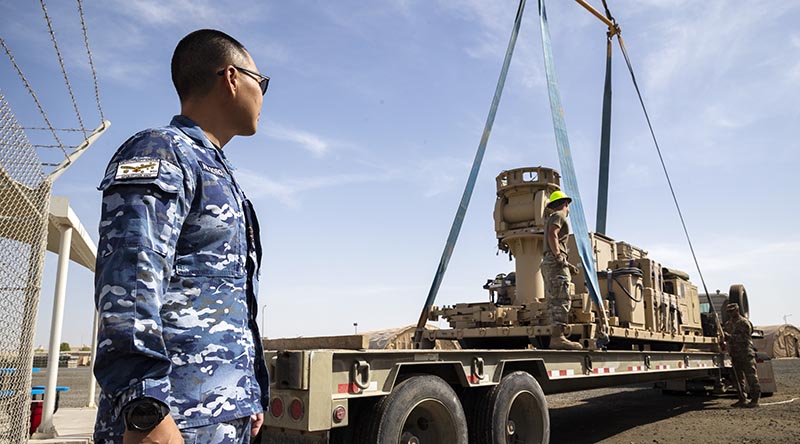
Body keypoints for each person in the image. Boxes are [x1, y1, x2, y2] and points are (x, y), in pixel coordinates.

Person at [93, 29, 270, 443]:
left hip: (218, 416)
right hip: (173, 422)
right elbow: (129, 282)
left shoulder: (216, 168)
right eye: (260, 83)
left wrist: (246, 393)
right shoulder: (161, 151)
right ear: (231, 77)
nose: (262, 95)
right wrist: (145, 411)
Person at [541, 190, 583, 350]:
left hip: (549, 261)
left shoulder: (551, 217)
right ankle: (558, 338)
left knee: (554, 299)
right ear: (566, 204)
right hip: (554, 261)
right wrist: (559, 256)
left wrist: (566, 264)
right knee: (562, 298)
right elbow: (553, 234)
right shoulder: (559, 216)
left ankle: (557, 336)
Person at [723, 302, 760, 408]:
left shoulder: (744, 323)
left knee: (751, 377)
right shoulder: (728, 324)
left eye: (732, 311)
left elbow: (745, 338)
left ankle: (755, 400)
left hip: (745, 353)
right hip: (735, 354)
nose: (730, 313)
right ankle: (742, 399)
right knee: (737, 379)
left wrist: (730, 337)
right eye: (728, 312)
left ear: (737, 310)